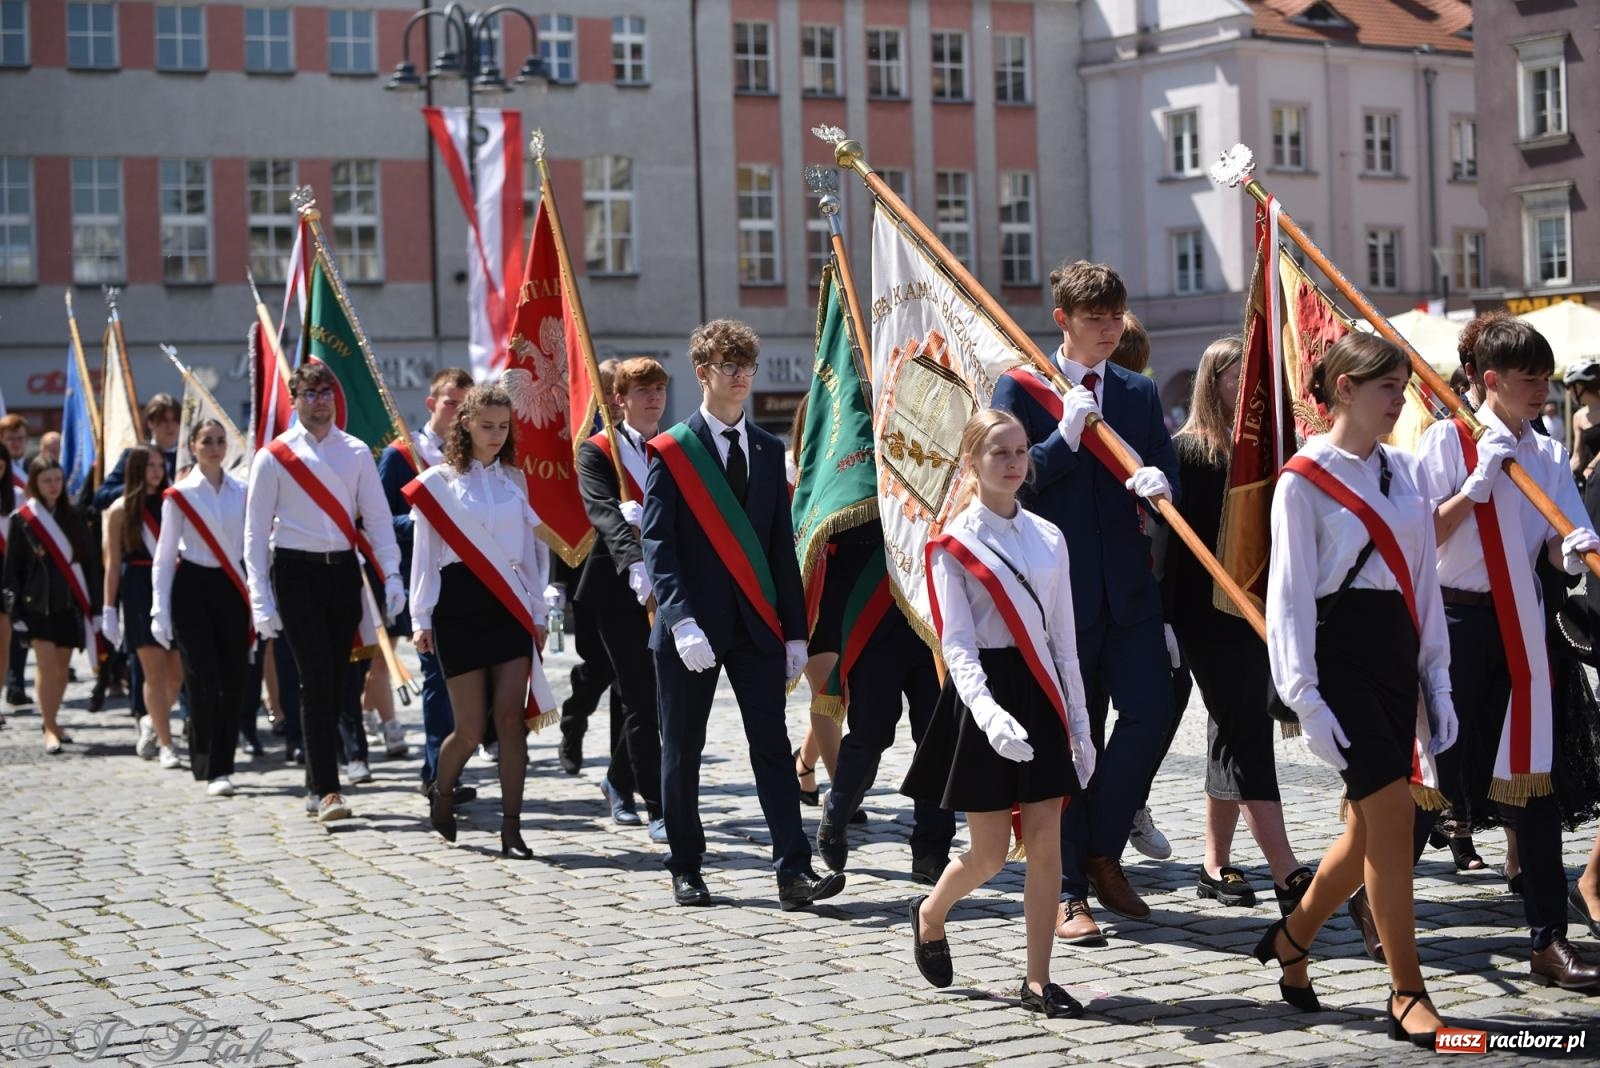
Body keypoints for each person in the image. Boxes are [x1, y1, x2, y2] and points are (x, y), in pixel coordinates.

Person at [1261, 333, 1457, 1045]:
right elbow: (1286, 598)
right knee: (1394, 817)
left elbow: (1424, 580)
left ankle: (1293, 938)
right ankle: (1407, 991)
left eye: (1402, 386)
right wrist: (1304, 696)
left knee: (1365, 828)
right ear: (1344, 388)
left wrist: (1437, 676)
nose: (1400, 399)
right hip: (1337, 658)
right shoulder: (1303, 480)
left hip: (1396, 651)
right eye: (1387, 386)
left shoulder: (1406, 470)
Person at [990, 260, 1179, 944]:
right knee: (1074, 739)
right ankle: (1069, 891)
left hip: (1129, 590)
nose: (1109, 331)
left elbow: (1164, 466)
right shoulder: (1022, 386)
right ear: (1062, 320)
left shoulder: (1136, 388)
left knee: (1154, 710)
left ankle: (1103, 847)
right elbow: (1010, 480)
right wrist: (1063, 437)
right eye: (1095, 319)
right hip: (1057, 595)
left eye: (1116, 318)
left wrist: (1162, 483)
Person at [1411, 317, 1600, 989]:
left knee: (1533, 782)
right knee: (1436, 776)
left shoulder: (1545, 452)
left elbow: (1557, 540)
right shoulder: (1446, 440)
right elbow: (1421, 537)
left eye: (1547, 379)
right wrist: (1475, 485)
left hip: (1521, 622)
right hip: (1455, 623)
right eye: (1529, 380)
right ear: (1491, 381)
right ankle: (1378, 899)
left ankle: (1549, 941)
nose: (1543, 391)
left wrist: (1571, 549)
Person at [641, 318, 842, 911]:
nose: (740, 377)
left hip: (756, 625)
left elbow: (781, 548)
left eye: (747, 366)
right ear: (702, 372)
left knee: (771, 747)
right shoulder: (673, 451)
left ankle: (793, 872)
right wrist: (680, 620)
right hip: (692, 629)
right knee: (683, 748)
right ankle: (685, 865)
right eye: (729, 366)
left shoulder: (767, 449)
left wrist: (795, 633)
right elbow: (658, 545)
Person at [901, 409, 1094, 1017]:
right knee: (987, 853)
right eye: (999, 453)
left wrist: (1081, 724)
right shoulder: (954, 543)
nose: (1013, 463)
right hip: (983, 695)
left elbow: (1063, 640)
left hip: (1039, 691)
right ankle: (930, 912)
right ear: (971, 462)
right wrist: (987, 714)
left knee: (1045, 842)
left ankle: (1037, 981)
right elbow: (957, 646)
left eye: (1020, 451)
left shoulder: (1049, 537)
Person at [1163, 337, 1310, 912]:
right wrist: (1166, 621)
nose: (1248, 386)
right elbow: (1171, 549)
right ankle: (1286, 870)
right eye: (1237, 375)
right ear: (1212, 381)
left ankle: (1214, 863)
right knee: (1246, 729)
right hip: (1205, 616)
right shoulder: (1187, 451)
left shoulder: (1264, 453)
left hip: (1257, 610)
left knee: (1230, 728)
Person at [245, 362, 403, 824]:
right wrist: (259, 598)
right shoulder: (274, 456)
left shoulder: (355, 451)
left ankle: (316, 782)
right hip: (295, 572)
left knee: (339, 682)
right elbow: (254, 534)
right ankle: (329, 790)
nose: (320, 401)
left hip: (343, 573)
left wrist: (393, 574)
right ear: (294, 400)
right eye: (310, 393)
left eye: (326, 392)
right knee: (314, 680)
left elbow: (377, 518)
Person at [408, 384, 550, 859]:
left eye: (503, 426)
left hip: (508, 604)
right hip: (458, 606)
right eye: (487, 425)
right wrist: (421, 616)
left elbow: (531, 553)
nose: (496, 434)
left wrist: (538, 610)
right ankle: (442, 790)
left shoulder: (515, 480)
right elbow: (425, 555)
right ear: (465, 424)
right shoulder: (439, 482)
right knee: (469, 728)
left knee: (510, 720)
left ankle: (512, 828)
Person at [576, 357, 668, 841]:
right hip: (617, 589)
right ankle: (657, 806)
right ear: (619, 399)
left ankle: (616, 777)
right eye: (642, 391)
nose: (653, 398)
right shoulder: (597, 451)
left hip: (670, 584)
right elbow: (603, 513)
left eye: (659, 389)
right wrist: (633, 559)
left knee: (660, 696)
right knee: (639, 694)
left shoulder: (675, 447)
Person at [377, 367, 470, 800]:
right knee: (437, 680)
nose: (458, 413)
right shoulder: (401, 455)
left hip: (467, 580)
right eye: (451, 403)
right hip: (424, 578)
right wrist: (419, 521)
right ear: (432, 403)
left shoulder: (471, 457)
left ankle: (447, 768)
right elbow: (378, 520)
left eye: (465, 406)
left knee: (464, 682)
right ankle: (438, 775)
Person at [151, 419, 250, 796]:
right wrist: (159, 609)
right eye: (206, 441)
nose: (215, 447)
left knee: (233, 678)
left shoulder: (241, 490)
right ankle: (210, 765)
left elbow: (254, 546)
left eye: (220, 441)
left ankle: (225, 760)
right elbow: (164, 555)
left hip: (232, 586)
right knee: (203, 678)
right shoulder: (180, 494)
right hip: (192, 585)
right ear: (192, 446)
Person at [3, 458, 101, 754]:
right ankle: (48, 727)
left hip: (69, 604)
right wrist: (15, 610)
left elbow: (90, 564)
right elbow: (12, 571)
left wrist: (96, 608)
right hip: (37, 606)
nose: (54, 486)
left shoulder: (75, 516)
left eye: (58, 479)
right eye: (47, 480)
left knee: (60, 669)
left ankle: (54, 721)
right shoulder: (22, 519)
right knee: (46, 666)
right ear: (34, 483)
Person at [102, 446, 182, 770]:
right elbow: (112, 563)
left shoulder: (173, 501)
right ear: (136, 468)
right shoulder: (121, 510)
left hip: (173, 585)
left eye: (160, 464)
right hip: (139, 588)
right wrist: (108, 608)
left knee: (177, 674)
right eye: (150, 465)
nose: (157, 471)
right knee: (154, 672)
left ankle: (152, 719)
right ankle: (167, 744)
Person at [94, 394, 180, 509]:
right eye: (164, 420)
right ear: (150, 423)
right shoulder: (133, 456)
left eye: (175, 420)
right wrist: (137, 487)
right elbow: (101, 497)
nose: (170, 426)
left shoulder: (190, 458)